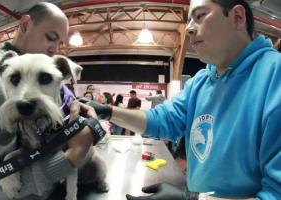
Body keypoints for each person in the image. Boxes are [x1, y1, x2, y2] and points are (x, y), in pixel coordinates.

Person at [84, 0, 281, 199]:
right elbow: (162, 119)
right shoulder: (201, 82)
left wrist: (194, 199)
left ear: (237, 17)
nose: (188, 29)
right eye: (188, 21)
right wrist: (108, 111)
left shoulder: (274, 76)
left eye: (200, 16)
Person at [0, 2, 98, 200]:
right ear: (25, 25)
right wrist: (74, 154)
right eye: (51, 38)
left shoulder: (47, 68)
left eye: (60, 42)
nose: (55, 48)